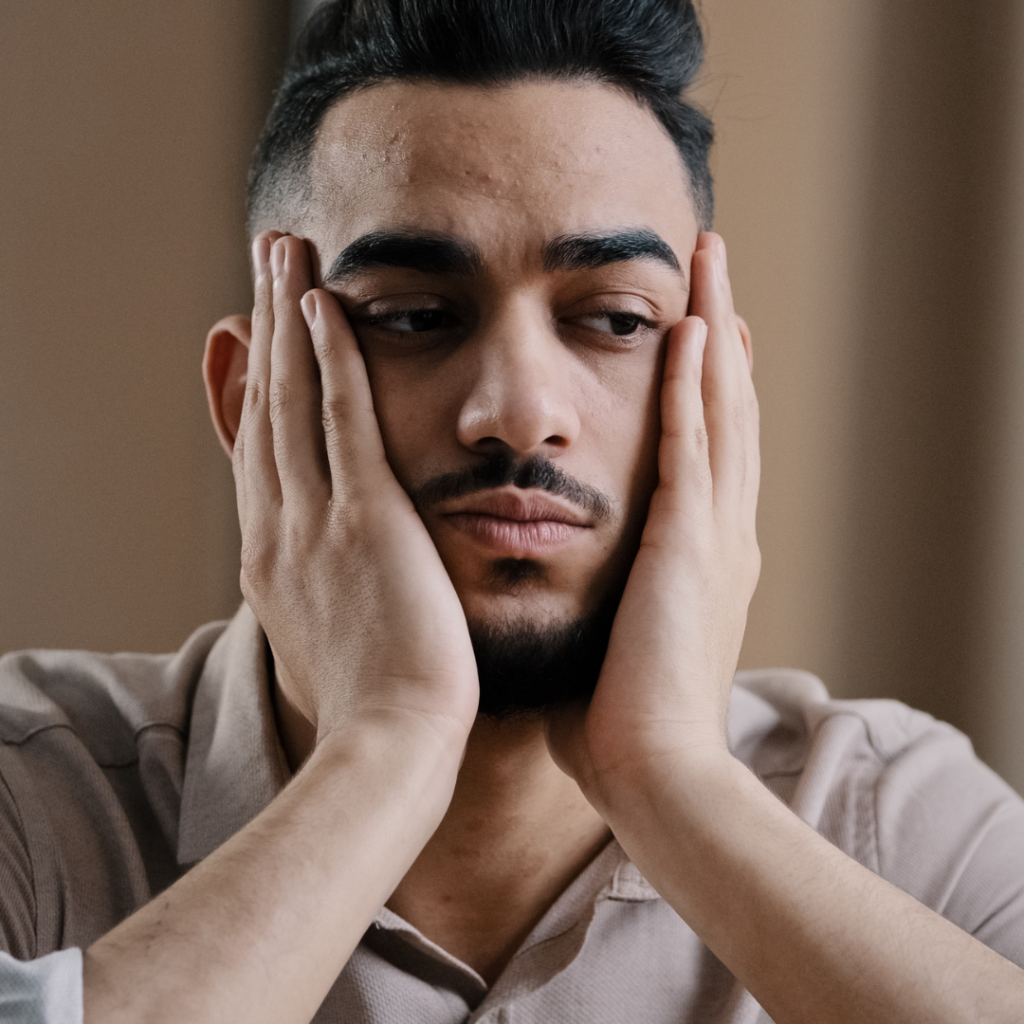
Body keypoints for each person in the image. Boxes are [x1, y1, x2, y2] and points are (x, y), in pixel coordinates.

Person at [1, 1, 1023, 1022]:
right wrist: (385, 754)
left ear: (719, 403)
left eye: (615, 320)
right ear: (250, 395)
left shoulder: (899, 823)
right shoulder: (29, 799)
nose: (519, 415)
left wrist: (670, 779)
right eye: (411, 317)